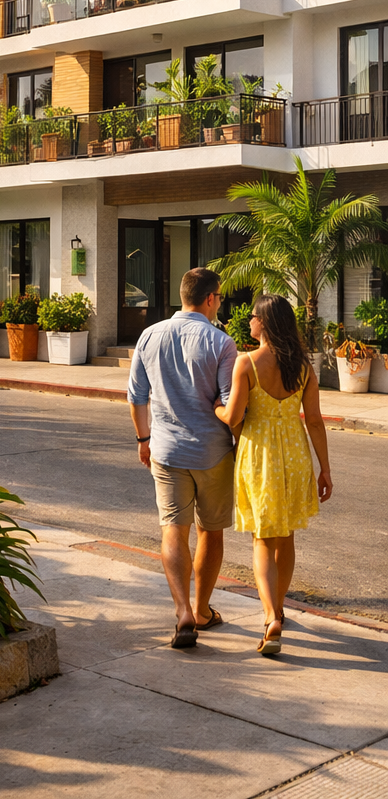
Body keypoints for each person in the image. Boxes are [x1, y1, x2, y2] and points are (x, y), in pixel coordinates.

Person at [215, 293, 332, 656]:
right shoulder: (303, 366)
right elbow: (313, 420)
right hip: (296, 455)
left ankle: (270, 617)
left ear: (263, 323)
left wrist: (217, 408)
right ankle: (279, 606)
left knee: (262, 539)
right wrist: (324, 468)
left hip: (259, 455)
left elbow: (234, 417)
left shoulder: (246, 363)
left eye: (252, 317)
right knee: (286, 537)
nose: (248, 321)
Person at [127, 267, 237, 649]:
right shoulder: (222, 343)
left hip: (167, 449)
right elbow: (228, 402)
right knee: (210, 530)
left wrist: (143, 439)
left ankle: (182, 612)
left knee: (174, 529)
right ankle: (203, 609)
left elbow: (136, 396)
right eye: (219, 297)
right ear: (210, 299)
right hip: (214, 452)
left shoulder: (149, 335)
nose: (218, 302)